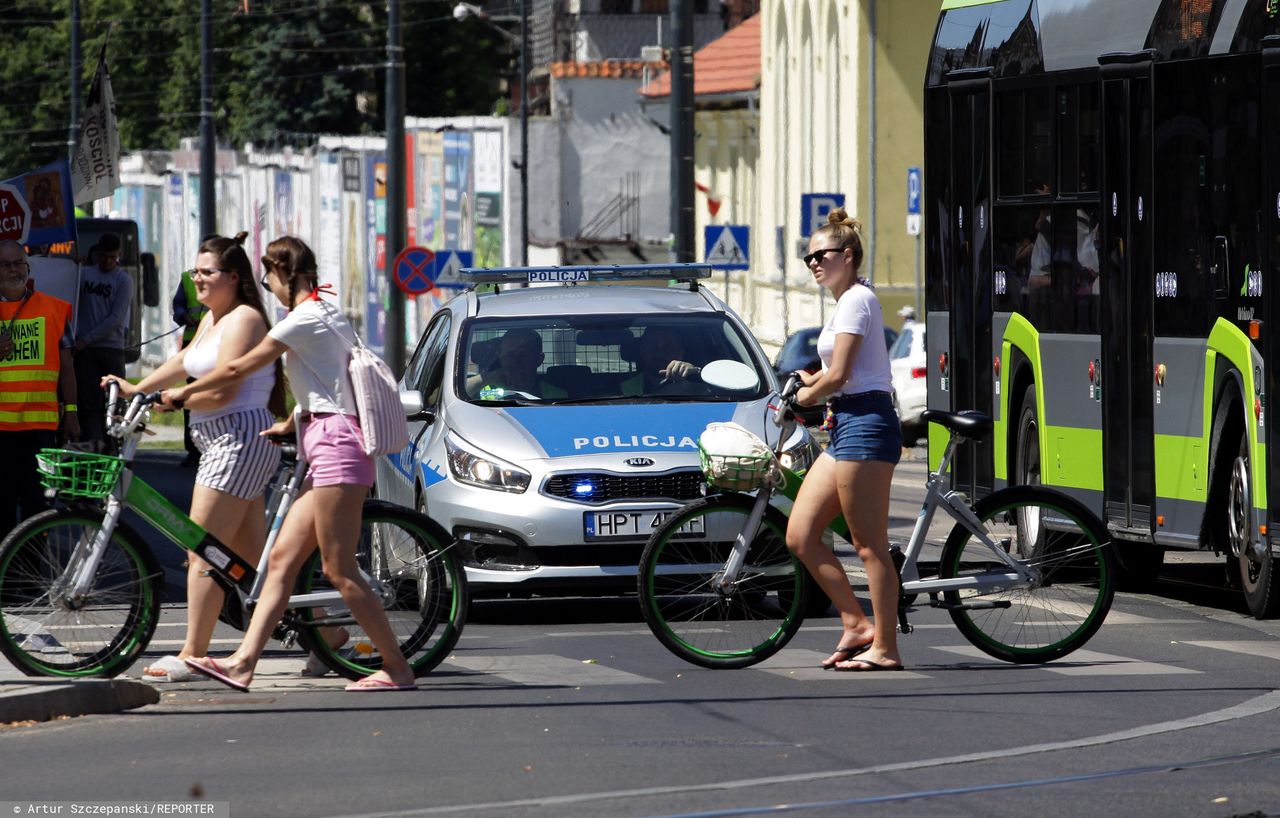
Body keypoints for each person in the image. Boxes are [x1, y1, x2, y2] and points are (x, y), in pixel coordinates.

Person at [163, 235, 417, 692]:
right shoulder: (325, 313)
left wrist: (183, 393)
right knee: (278, 560)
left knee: (339, 569)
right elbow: (331, 381)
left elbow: (241, 368)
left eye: (269, 278)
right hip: (322, 437)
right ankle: (242, 665)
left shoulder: (304, 318)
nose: (269, 289)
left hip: (338, 446)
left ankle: (397, 668)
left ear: (284, 274)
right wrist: (295, 419)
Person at [103, 233, 288, 683]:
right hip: (221, 441)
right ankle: (330, 635)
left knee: (200, 550)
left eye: (207, 272)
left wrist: (174, 402)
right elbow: (186, 359)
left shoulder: (244, 319)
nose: (198, 280)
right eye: (195, 272)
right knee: (252, 561)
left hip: (238, 441)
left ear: (235, 277)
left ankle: (193, 654)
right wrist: (139, 388)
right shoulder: (213, 318)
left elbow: (222, 388)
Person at [787, 208, 904, 672]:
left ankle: (886, 647)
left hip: (868, 422)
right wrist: (806, 381)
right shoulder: (843, 303)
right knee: (800, 534)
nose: (814, 262)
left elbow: (841, 375)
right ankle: (856, 623)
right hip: (845, 425)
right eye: (808, 257)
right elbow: (835, 372)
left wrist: (805, 394)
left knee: (868, 543)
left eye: (822, 254)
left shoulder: (858, 299)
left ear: (848, 255)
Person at [0, 240, 80, 535]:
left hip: (41, 429)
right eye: (5, 264)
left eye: (18, 263)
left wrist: (71, 411)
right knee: (2, 509)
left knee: (39, 511)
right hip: (1, 432)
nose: (13, 270)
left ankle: (31, 580)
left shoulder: (54, 309)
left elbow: (67, 366)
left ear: (27, 266)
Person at [74, 232, 133, 451]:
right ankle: (95, 446)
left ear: (119, 255)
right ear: (97, 254)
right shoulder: (85, 274)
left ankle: (113, 448)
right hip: (86, 352)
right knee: (88, 404)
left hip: (111, 350)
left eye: (112, 257)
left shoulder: (124, 280)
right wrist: (74, 267)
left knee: (113, 405)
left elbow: (116, 319)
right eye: (104, 256)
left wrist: (85, 339)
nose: (108, 261)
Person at [172, 268, 209, 467]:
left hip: (216, 343)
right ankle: (193, 450)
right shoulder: (187, 277)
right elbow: (177, 307)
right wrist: (184, 316)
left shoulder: (227, 276)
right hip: (192, 341)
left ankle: (208, 448)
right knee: (191, 399)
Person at [466, 328, 566, 399]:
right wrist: (487, 378)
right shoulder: (484, 387)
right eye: (510, 355)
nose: (516, 361)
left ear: (539, 359)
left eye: (523, 355)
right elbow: (453, 397)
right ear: (499, 356)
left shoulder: (554, 394)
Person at [620, 326, 701, 396]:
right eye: (652, 346)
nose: (659, 354)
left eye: (668, 347)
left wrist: (697, 373)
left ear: (680, 353)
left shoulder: (701, 381)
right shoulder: (621, 389)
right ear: (642, 351)